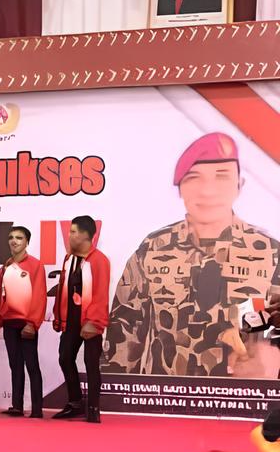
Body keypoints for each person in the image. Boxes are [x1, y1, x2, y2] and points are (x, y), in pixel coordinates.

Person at [106, 133, 280, 380]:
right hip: (165, 395)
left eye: (221, 176)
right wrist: (115, 392)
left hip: (241, 394)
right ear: (179, 188)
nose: (207, 191)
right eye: (194, 178)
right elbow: (124, 330)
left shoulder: (269, 253)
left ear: (239, 185)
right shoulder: (154, 248)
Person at [53, 215, 110, 423]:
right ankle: (75, 403)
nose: (69, 235)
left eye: (73, 232)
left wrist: (93, 322)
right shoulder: (69, 259)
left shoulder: (99, 260)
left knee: (91, 363)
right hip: (71, 320)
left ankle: (93, 408)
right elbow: (63, 290)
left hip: (91, 322)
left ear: (86, 235)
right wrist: (58, 316)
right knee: (65, 358)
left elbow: (101, 293)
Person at [0, 225, 47, 418]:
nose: (14, 241)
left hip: (26, 323)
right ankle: (17, 405)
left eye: (19, 238)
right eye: (11, 237)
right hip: (9, 322)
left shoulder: (35, 265)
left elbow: (39, 295)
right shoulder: (5, 267)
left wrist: (32, 323)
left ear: (27, 242)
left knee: (32, 365)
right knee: (15, 364)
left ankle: (37, 409)